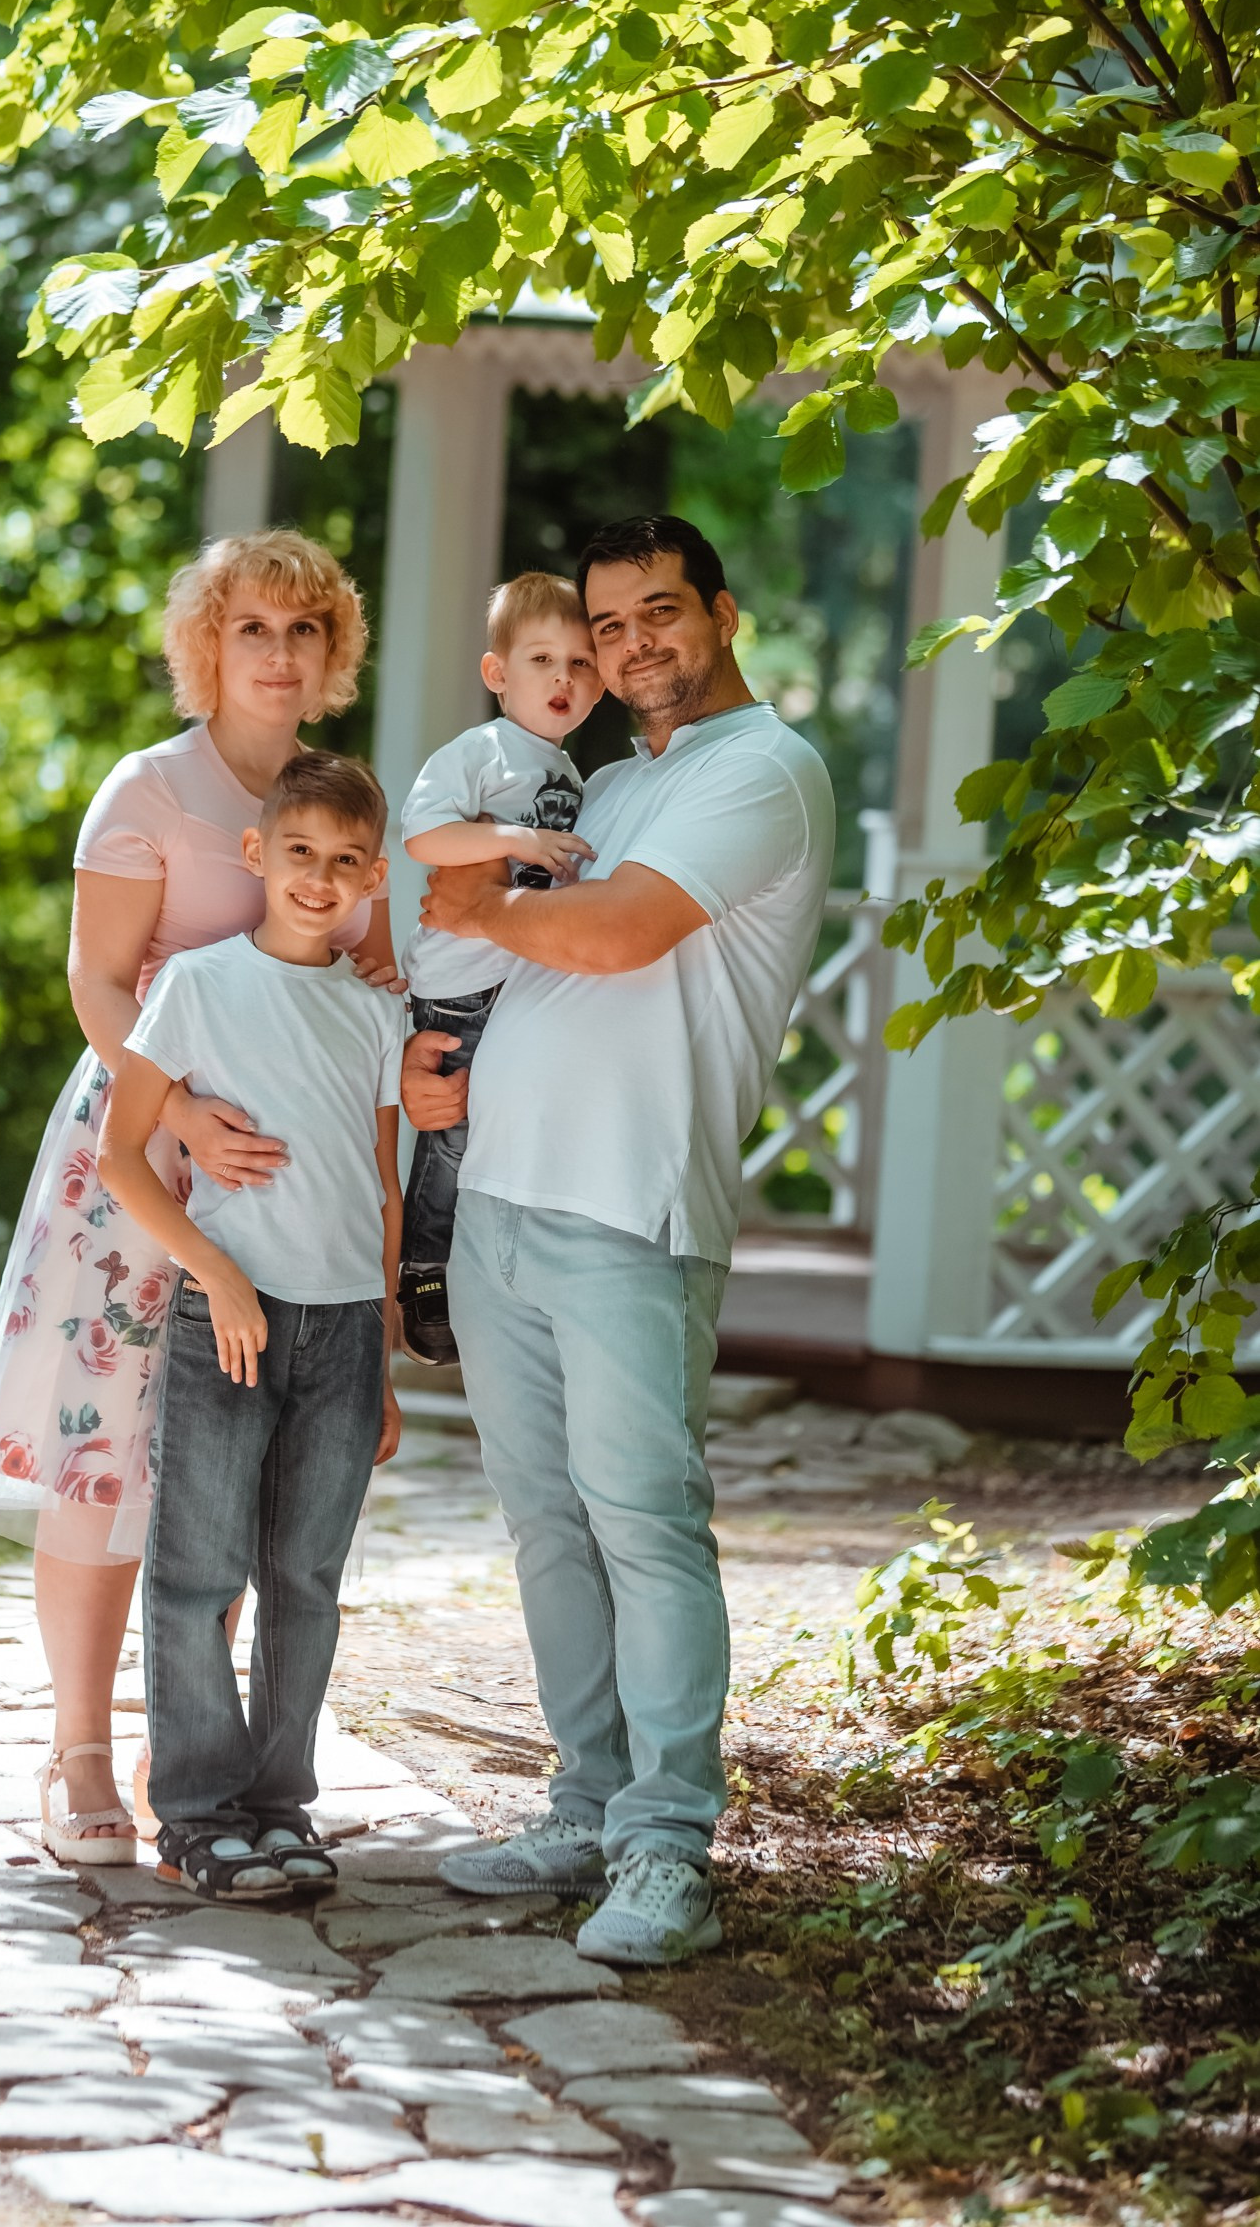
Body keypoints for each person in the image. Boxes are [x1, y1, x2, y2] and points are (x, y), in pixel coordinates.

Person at [409, 514, 835, 1965]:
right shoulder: (604, 780)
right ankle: (583, 1807)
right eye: (603, 626)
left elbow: (608, 938)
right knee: (547, 1530)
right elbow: (461, 934)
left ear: (716, 614)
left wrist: (478, 899)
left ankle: (665, 1851)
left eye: (658, 613)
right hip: (502, 1201)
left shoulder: (763, 771)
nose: (630, 645)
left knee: (645, 1528)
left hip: (630, 1214)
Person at [0, 530, 399, 1866]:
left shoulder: (337, 804)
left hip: (285, 1186)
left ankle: (189, 1747)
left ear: (331, 652)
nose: (277, 651)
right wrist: (187, 1115)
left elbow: (354, 985)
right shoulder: (143, 793)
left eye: (302, 629)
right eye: (251, 627)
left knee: (236, 1475)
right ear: (207, 642)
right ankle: (78, 1749)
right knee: (110, 1456)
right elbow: (96, 985)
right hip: (141, 1160)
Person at [98, 753, 404, 1901]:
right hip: (227, 1320)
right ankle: (196, 1812)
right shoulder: (198, 986)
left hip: (340, 1332)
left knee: (306, 1580)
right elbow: (124, 1155)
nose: (318, 880)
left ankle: (279, 1806)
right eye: (299, 854)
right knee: (196, 1571)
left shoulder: (375, 1010)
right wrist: (217, 1274)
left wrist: (379, 1366)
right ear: (256, 855)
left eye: (342, 862)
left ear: (371, 875)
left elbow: (380, 1191)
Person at [394, 573, 601, 1364]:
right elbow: (424, 838)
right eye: (542, 659)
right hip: (460, 987)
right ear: (497, 674)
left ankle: (498, 1280)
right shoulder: (480, 752)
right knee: (452, 1135)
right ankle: (424, 1271)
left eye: (581, 664)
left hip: (523, 981)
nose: (562, 678)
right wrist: (512, 843)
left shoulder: (574, 777)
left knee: (507, 1134)